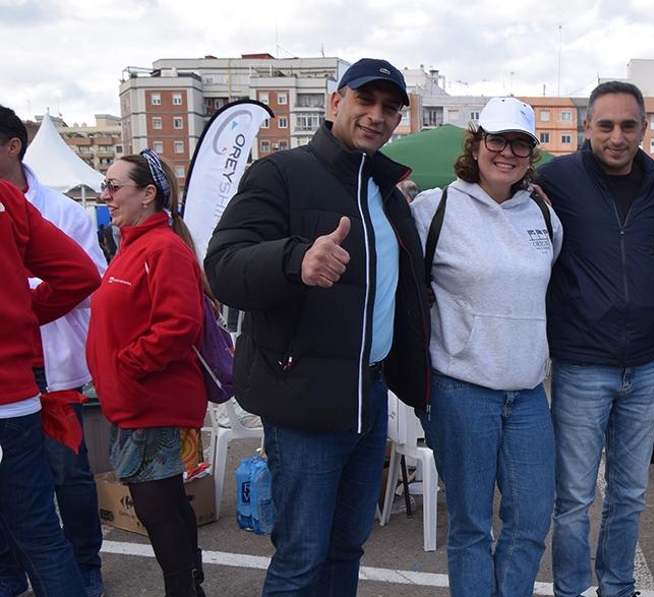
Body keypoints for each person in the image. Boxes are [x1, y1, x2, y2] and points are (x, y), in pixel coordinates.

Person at [205, 58, 432, 595]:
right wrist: (295, 261)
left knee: (346, 550)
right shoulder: (280, 173)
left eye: (390, 108)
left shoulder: (385, 189)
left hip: (369, 398)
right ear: (336, 103)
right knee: (302, 558)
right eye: (365, 101)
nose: (377, 116)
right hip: (304, 402)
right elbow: (221, 266)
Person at [409, 97, 562, 597]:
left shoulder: (542, 212)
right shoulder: (434, 208)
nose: (507, 152)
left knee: (532, 518)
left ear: (530, 154)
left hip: (527, 394)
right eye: (497, 139)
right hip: (462, 391)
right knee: (472, 525)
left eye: (520, 143)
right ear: (476, 145)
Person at [536, 81, 654, 597]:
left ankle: (617, 586)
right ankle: (571, 589)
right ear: (587, 126)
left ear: (643, 127)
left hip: (646, 364)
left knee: (631, 494)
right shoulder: (556, 179)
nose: (617, 136)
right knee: (572, 497)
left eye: (628, 125)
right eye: (606, 125)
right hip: (581, 363)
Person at [83, 150, 208, 597]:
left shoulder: (163, 247)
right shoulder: (133, 244)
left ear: (148, 194)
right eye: (106, 185)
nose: (106, 195)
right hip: (135, 399)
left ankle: (184, 590)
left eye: (115, 187)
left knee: (157, 510)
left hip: (152, 401)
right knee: (168, 503)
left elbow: (179, 325)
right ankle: (191, 585)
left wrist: (127, 365)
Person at [0, 105, 108, 597]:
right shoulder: (10, 202)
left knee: (68, 473)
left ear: (12, 145)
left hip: (46, 367)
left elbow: (88, 276)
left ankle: (86, 561)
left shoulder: (61, 209)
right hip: (19, 367)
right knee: (28, 506)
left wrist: (24, 308)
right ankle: (8, 572)